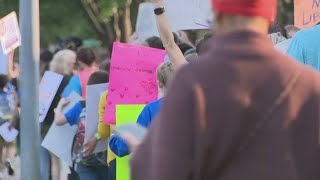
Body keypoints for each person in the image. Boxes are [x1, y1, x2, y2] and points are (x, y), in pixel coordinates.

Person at [126, 0, 320, 180]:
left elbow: (162, 169)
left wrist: (142, 154)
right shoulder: (307, 83)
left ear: (217, 16)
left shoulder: (193, 82)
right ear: (271, 16)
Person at [109, 62, 174, 157]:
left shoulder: (151, 109)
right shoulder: (194, 105)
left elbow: (124, 147)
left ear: (159, 83)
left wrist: (113, 138)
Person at [54, 71, 109, 180]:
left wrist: (60, 106)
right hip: (105, 159)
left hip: (84, 159)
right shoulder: (109, 107)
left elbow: (58, 121)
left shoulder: (81, 106)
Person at [39, 49, 76, 180]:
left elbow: (40, 105)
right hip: (63, 123)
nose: (74, 65)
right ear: (67, 64)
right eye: (72, 62)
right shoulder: (69, 80)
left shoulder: (48, 79)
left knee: (54, 162)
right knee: (64, 162)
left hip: (46, 124)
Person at [0, 74, 18, 178]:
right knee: (11, 146)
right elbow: (15, 109)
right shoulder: (9, 94)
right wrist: (12, 122)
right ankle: (9, 159)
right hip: (8, 123)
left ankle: (0, 170)